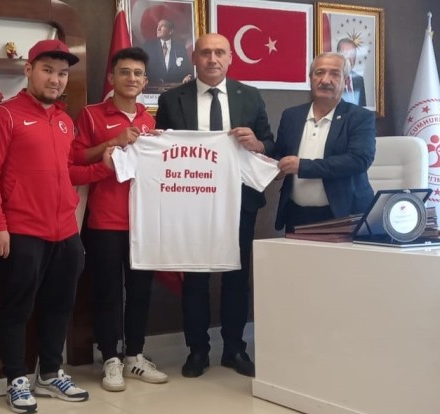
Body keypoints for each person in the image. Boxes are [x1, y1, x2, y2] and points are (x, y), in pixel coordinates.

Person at [0, 39, 113, 414]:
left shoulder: (64, 120)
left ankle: (50, 373)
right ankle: (16, 379)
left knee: (60, 304)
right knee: (17, 307)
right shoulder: (4, 116)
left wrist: (103, 168)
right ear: (29, 70)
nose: (55, 79)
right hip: (21, 230)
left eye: (62, 73)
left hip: (65, 231)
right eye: (47, 70)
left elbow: (67, 172)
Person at [155, 33, 274, 379]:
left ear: (230, 57)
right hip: (192, 202)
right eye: (205, 52)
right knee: (195, 279)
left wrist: (258, 143)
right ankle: (197, 350)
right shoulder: (172, 99)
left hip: (239, 201)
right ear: (194, 58)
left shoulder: (250, 96)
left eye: (219, 52)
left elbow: (270, 143)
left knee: (237, 278)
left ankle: (235, 348)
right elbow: (162, 149)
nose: (212, 59)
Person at [71, 47, 168, 392]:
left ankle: (134, 356)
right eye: (124, 72)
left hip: (143, 221)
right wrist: (112, 142)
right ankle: (110, 357)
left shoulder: (150, 120)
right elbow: (75, 158)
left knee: (140, 291)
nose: (131, 78)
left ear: (145, 81)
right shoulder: (91, 114)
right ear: (111, 78)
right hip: (105, 221)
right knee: (107, 292)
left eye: (138, 73)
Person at [273, 52, 376, 232]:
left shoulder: (360, 117)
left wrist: (303, 166)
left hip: (343, 215)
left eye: (334, 74)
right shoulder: (291, 116)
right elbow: (280, 153)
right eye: (319, 73)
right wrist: (274, 166)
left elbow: (359, 160)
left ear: (346, 81)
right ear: (310, 79)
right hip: (296, 215)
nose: (325, 80)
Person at [142, 19, 192, 86]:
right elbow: (142, 67)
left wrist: (187, 77)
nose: (158, 29)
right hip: (153, 88)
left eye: (163, 26)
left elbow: (187, 69)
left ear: (170, 31)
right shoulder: (148, 47)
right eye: (158, 26)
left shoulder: (180, 48)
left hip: (175, 88)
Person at [336, 38, 366, 107]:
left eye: (352, 54)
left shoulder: (359, 79)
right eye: (345, 53)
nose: (349, 58)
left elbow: (363, 109)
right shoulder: (332, 79)